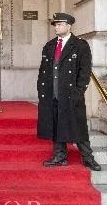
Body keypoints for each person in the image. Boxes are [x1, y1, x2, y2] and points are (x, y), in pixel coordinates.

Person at [36, 12, 101, 171]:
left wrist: (79, 91)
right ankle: (59, 156)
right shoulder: (50, 45)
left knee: (78, 126)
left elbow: (85, 72)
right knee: (56, 124)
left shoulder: (80, 45)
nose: (56, 27)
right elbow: (43, 70)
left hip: (71, 94)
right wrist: (42, 90)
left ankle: (88, 158)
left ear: (69, 26)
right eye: (55, 25)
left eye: (59, 24)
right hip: (52, 93)